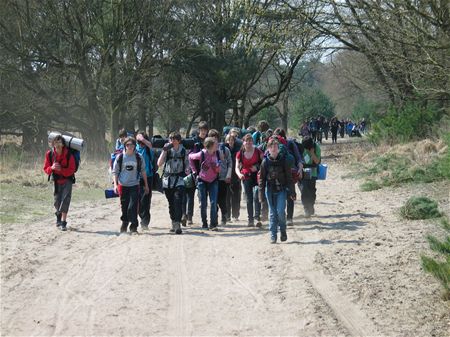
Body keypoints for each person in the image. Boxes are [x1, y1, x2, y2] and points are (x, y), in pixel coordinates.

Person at [259, 137, 296, 243]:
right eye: (271, 146)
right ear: (268, 149)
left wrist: (292, 192)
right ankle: (273, 235)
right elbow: (261, 179)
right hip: (270, 190)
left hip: (281, 190)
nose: (274, 148)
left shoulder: (284, 161)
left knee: (280, 212)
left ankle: (283, 231)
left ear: (279, 148)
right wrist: (261, 195)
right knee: (272, 213)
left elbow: (289, 178)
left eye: (276, 146)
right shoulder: (265, 162)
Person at [113, 137, 149, 234]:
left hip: (134, 185)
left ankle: (134, 227)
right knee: (124, 207)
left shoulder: (139, 157)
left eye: (132, 145)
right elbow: (115, 172)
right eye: (128, 145)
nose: (130, 147)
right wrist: (115, 185)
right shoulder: (120, 157)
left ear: (134, 146)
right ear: (125, 146)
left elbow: (143, 171)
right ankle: (124, 223)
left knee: (133, 206)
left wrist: (146, 185)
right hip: (122, 185)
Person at [157, 132, 189, 234]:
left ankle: (177, 224)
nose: (172, 141)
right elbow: (159, 163)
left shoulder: (183, 151)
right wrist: (164, 151)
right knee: (171, 203)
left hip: (179, 179)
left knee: (178, 201)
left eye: (174, 139)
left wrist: (187, 171)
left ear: (179, 141)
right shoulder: (167, 150)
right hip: (168, 180)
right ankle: (174, 221)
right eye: (171, 139)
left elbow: (187, 165)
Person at [43, 135, 76, 231]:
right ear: (53, 144)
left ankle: (64, 222)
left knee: (65, 200)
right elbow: (46, 168)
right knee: (57, 201)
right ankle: (58, 218)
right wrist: (52, 168)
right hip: (56, 181)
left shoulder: (69, 154)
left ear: (63, 145)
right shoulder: (49, 154)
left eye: (59, 142)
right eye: (56, 142)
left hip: (67, 180)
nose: (57, 144)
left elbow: (72, 169)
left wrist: (61, 170)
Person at [189, 137, 220, 230]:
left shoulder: (217, 153)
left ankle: (213, 224)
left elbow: (220, 166)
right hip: (202, 180)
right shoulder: (202, 153)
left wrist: (217, 168)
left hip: (214, 180)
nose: (217, 145)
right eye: (215, 144)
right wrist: (194, 171)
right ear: (210, 146)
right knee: (203, 203)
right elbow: (190, 157)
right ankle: (204, 223)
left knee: (213, 202)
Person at [182, 121, 209, 226]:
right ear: (199, 130)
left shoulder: (208, 141)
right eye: (201, 130)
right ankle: (186, 216)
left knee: (201, 196)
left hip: (205, 171)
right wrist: (190, 169)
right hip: (193, 170)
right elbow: (189, 155)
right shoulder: (193, 141)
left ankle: (189, 216)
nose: (203, 132)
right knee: (188, 193)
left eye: (205, 130)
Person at [236, 134, 264, 227]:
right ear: (243, 142)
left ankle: (257, 218)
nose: (248, 143)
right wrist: (239, 174)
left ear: (253, 142)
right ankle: (250, 220)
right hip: (246, 176)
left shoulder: (257, 151)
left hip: (257, 176)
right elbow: (236, 167)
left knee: (257, 195)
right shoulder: (240, 153)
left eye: (250, 141)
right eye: (246, 141)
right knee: (249, 198)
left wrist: (257, 167)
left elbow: (264, 163)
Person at [208, 129, 232, 226]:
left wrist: (228, 175)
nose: (214, 140)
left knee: (222, 199)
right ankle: (215, 219)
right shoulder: (207, 150)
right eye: (212, 138)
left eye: (216, 138)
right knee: (214, 200)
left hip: (222, 178)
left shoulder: (224, 149)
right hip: (211, 178)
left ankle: (224, 215)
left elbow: (230, 163)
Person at [136, 131, 155, 230]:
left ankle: (145, 222)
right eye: (139, 142)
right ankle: (141, 218)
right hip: (136, 178)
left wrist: (143, 139)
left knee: (146, 200)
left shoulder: (148, 149)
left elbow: (150, 145)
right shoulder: (135, 148)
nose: (141, 144)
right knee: (137, 200)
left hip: (148, 177)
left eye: (142, 142)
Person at [300, 136, 321, 217]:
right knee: (304, 190)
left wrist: (312, 153)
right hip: (303, 172)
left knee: (312, 191)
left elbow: (317, 161)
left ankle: (311, 206)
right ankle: (306, 208)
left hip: (313, 172)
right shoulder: (301, 147)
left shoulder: (316, 147)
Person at [225, 133, 242, 222]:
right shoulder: (224, 150)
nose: (230, 142)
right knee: (227, 196)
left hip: (236, 176)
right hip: (227, 176)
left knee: (236, 196)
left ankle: (236, 215)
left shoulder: (238, 150)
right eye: (229, 140)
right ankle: (227, 216)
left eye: (232, 140)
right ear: (226, 141)